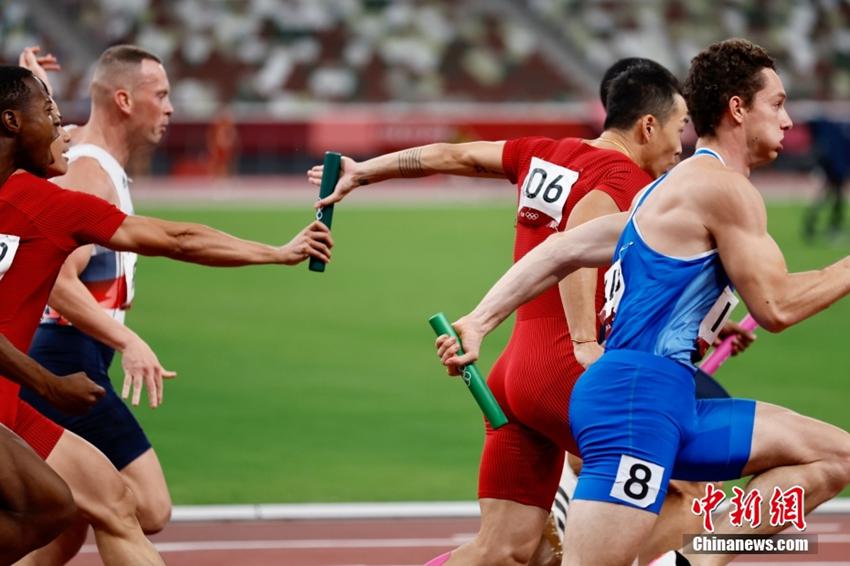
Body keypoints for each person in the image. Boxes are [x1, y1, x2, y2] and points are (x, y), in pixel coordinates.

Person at [309, 58, 743, 566]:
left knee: (503, 549)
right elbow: (577, 238)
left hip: (514, 375)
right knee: (689, 491)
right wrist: (584, 342)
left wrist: (363, 171)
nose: (680, 145)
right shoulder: (626, 180)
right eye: (679, 126)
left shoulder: (543, 153)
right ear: (649, 126)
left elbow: (452, 155)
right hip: (566, 373)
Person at [435, 38, 850, 566]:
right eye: (778, 103)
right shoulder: (720, 189)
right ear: (737, 109)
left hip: (673, 403)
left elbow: (562, 249)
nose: (788, 120)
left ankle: (687, 561)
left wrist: (480, 320)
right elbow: (776, 307)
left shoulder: (662, 191)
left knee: (834, 455)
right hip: (634, 405)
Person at [0, 65, 332, 566]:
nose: (63, 126)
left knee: (106, 502)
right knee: (52, 509)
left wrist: (275, 253)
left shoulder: (47, 203)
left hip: (12, 398)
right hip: (38, 374)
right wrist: (51, 383)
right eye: (49, 112)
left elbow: (178, 239)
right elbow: (172, 240)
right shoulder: (54, 197)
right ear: (12, 122)